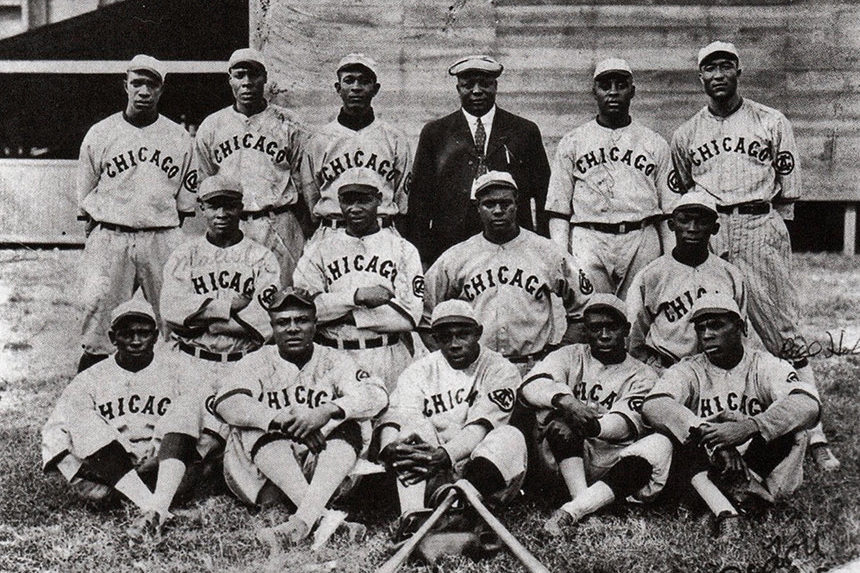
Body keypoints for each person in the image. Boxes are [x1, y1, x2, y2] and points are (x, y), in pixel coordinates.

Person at [670, 41, 839, 470]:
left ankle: (813, 434)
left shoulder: (771, 120)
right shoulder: (687, 133)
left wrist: (766, 229)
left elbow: (788, 191)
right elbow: (686, 188)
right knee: (716, 323)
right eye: (710, 68)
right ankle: (733, 418)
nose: (718, 75)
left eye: (726, 66)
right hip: (711, 230)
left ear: (738, 72)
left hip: (758, 222)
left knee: (781, 331)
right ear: (701, 78)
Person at [143, 175, 281, 536]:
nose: (222, 213)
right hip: (191, 361)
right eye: (213, 205)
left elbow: (263, 323)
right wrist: (227, 308)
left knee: (215, 444)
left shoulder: (261, 257)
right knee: (179, 427)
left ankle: (165, 493)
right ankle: (156, 487)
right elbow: (171, 310)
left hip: (241, 363)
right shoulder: (185, 253)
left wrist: (202, 317)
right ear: (201, 209)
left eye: (229, 204)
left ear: (241, 207)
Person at [212, 287, 388, 549]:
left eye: (301, 320)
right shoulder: (255, 361)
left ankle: (302, 522)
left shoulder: (334, 359)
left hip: (319, 470)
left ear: (315, 325)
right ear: (272, 326)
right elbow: (226, 403)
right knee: (252, 425)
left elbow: (377, 395)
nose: (292, 328)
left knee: (349, 422)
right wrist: (282, 420)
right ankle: (326, 520)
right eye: (283, 322)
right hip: (263, 478)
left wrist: (325, 411)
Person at [641, 293, 821, 537]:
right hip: (712, 460)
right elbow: (654, 405)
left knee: (792, 428)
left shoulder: (766, 365)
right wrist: (713, 438)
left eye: (716, 325)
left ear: (740, 326)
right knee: (678, 431)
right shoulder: (689, 369)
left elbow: (808, 403)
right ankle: (740, 503)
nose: (707, 335)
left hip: (759, 460)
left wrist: (750, 426)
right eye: (701, 328)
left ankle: (729, 500)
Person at [42, 296, 211, 538]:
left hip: (166, 471)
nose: (135, 340)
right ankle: (158, 509)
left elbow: (211, 421)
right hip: (108, 476)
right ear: (112, 337)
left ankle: (151, 509)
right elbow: (53, 433)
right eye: (126, 333)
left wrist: (169, 457)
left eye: (143, 333)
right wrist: (90, 469)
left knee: (187, 406)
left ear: (156, 336)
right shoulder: (90, 378)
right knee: (81, 419)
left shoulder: (179, 371)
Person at [77, 54, 197, 372]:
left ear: (161, 89)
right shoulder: (100, 133)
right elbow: (86, 199)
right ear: (126, 86)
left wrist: (157, 231)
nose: (144, 91)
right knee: (99, 320)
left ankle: (171, 395)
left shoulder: (179, 137)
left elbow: (185, 204)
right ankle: (88, 400)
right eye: (137, 83)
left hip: (162, 235)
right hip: (111, 235)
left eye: (151, 84)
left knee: (173, 320)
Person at [518, 294, 672, 535]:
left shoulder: (644, 374)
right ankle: (584, 505)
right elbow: (531, 385)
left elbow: (626, 424)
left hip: (611, 460)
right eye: (595, 327)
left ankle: (574, 509)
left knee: (659, 445)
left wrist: (590, 425)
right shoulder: (570, 355)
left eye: (611, 327)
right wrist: (567, 402)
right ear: (586, 330)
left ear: (626, 329)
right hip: (564, 457)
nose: (603, 334)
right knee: (554, 418)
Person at [375, 300, 526, 535]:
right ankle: (413, 516)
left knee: (510, 436)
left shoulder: (500, 369)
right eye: (445, 337)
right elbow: (398, 413)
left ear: (478, 333)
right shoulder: (420, 370)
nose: (454, 344)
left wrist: (445, 455)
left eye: (463, 334)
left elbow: (480, 428)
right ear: (434, 338)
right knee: (413, 429)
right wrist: (389, 447)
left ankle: (461, 508)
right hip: (431, 472)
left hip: (480, 475)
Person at [423, 171, 592, 374]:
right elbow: (424, 315)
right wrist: (450, 362)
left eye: (505, 204)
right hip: (477, 369)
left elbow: (585, 308)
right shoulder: (456, 257)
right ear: (478, 208)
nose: (498, 210)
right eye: (489, 204)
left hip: (534, 367)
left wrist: (559, 355)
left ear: (516, 205)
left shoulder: (547, 251)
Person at [545, 58, 675, 299]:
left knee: (638, 316)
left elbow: (669, 212)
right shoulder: (573, 142)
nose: (613, 92)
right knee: (592, 313)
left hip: (640, 236)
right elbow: (558, 210)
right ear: (594, 91)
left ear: (632, 91)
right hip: (589, 237)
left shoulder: (654, 142)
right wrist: (561, 258)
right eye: (606, 86)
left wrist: (671, 261)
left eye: (621, 85)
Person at [405, 55, 551, 266]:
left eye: (485, 84)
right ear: (458, 89)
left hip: (513, 241)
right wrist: (423, 255)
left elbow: (544, 193)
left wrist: (542, 245)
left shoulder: (524, 130)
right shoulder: (435, 133)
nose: (476, 91)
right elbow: (420, 199)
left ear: (496, 86)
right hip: (450, 243)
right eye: (468, 85)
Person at [293, 168, 424, 391]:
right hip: (334, 355)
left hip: (386, 356)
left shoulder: (402, 249)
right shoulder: (319, 250)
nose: (354, 208)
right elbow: (307, 309)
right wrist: (357, 297)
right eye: (347, 200)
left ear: (379, 200)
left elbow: (409, 316)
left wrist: (339, 313)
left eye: (363, 200)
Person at [195, 48, 312, 288]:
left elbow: (306, 182)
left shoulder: (289, 122)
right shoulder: (213, 126)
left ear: (265, 78)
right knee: (234, 296)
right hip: (232, 224)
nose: (247, 82)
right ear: (230, 80)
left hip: (278, 221)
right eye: (240, 75)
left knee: (284, 296)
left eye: (254, 74)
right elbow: (205, 182)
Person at [627, 191, 746, 369]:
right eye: (685, 220)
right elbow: (633, 337)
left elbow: (741, 333)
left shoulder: (731, 275)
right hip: (667, 368)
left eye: (702, 221)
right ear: (671, 225)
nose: (692, 228)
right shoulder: (651, 275)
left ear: (715, 228)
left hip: (718, 370)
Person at [303, 53, 412, 239]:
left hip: (381, 233)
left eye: (364, 81)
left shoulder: (394, 138)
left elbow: (402, 198)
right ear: (338, 88)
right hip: (333, 232)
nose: (356, 88)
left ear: (375, 89)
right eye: (349, 81)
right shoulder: (319, 139)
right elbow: (310, 196)